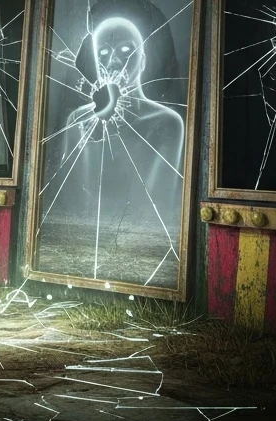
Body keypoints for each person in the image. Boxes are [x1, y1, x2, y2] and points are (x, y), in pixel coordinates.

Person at [40, 15, 184, 285]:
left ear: (143, 60)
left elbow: (157, 207)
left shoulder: (167, 123)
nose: (113, 60)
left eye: (127, 51)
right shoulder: (78, 121)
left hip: (143, 254)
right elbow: (72, 198)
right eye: (103, 53)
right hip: (82, 249)